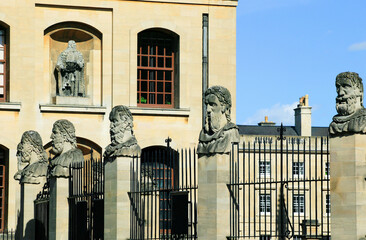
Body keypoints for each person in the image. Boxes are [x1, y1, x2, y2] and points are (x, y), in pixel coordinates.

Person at [197, 86, 239, 156]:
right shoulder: (203, 134)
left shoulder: (231, 132)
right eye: (206, 105)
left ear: (224, 107)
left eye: (212, 105)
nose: (208, 110)